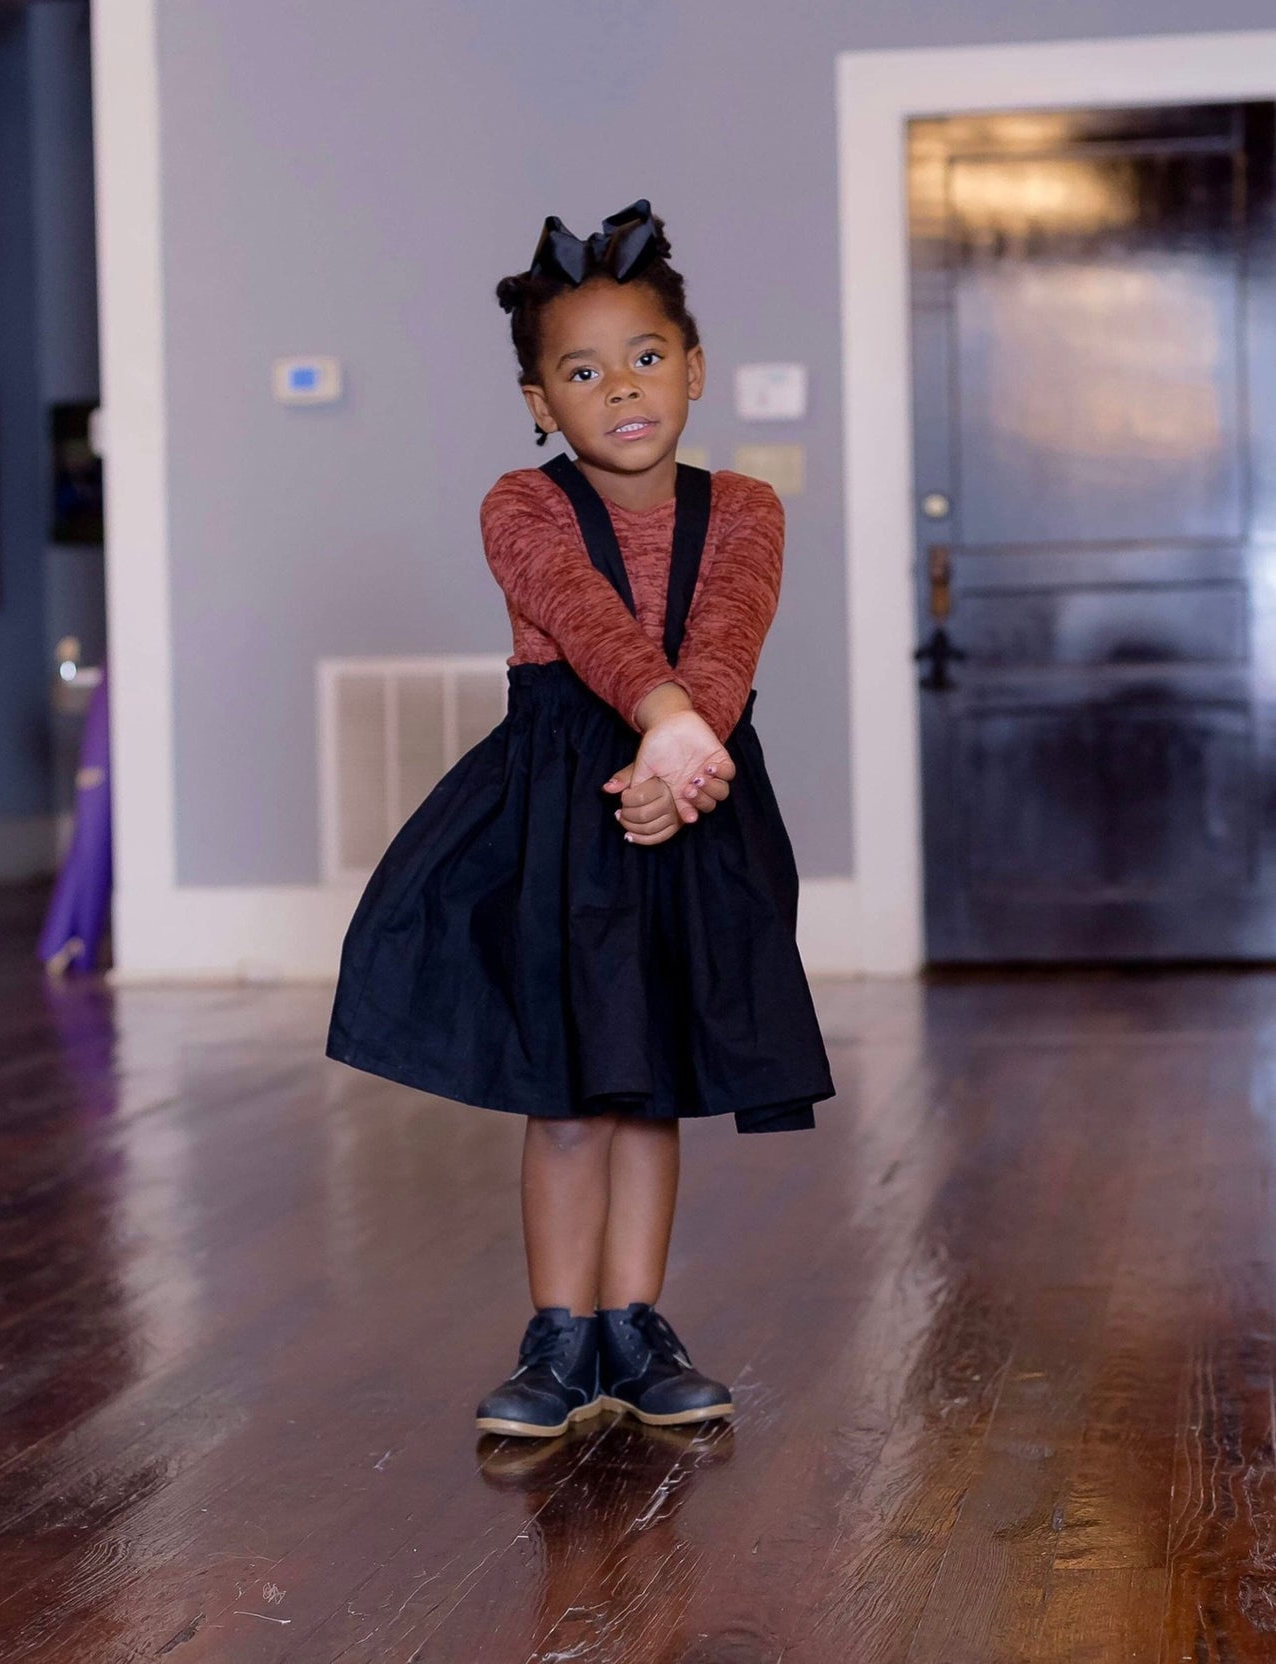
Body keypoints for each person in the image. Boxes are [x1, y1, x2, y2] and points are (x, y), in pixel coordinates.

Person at [326, 200, 834, 1439]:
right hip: (562, 808)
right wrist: (660, 725)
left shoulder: (751, 510)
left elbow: (725, 637)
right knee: (566, 1090)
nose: (621, 387)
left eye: (647, 356)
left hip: (690, 794)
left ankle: (631, 1324)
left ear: (695, 368)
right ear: (539, 399)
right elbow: (585, 621)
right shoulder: (521, 503)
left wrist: (679, 753)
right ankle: (556, 1333)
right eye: (581, 368)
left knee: (647, 1081)